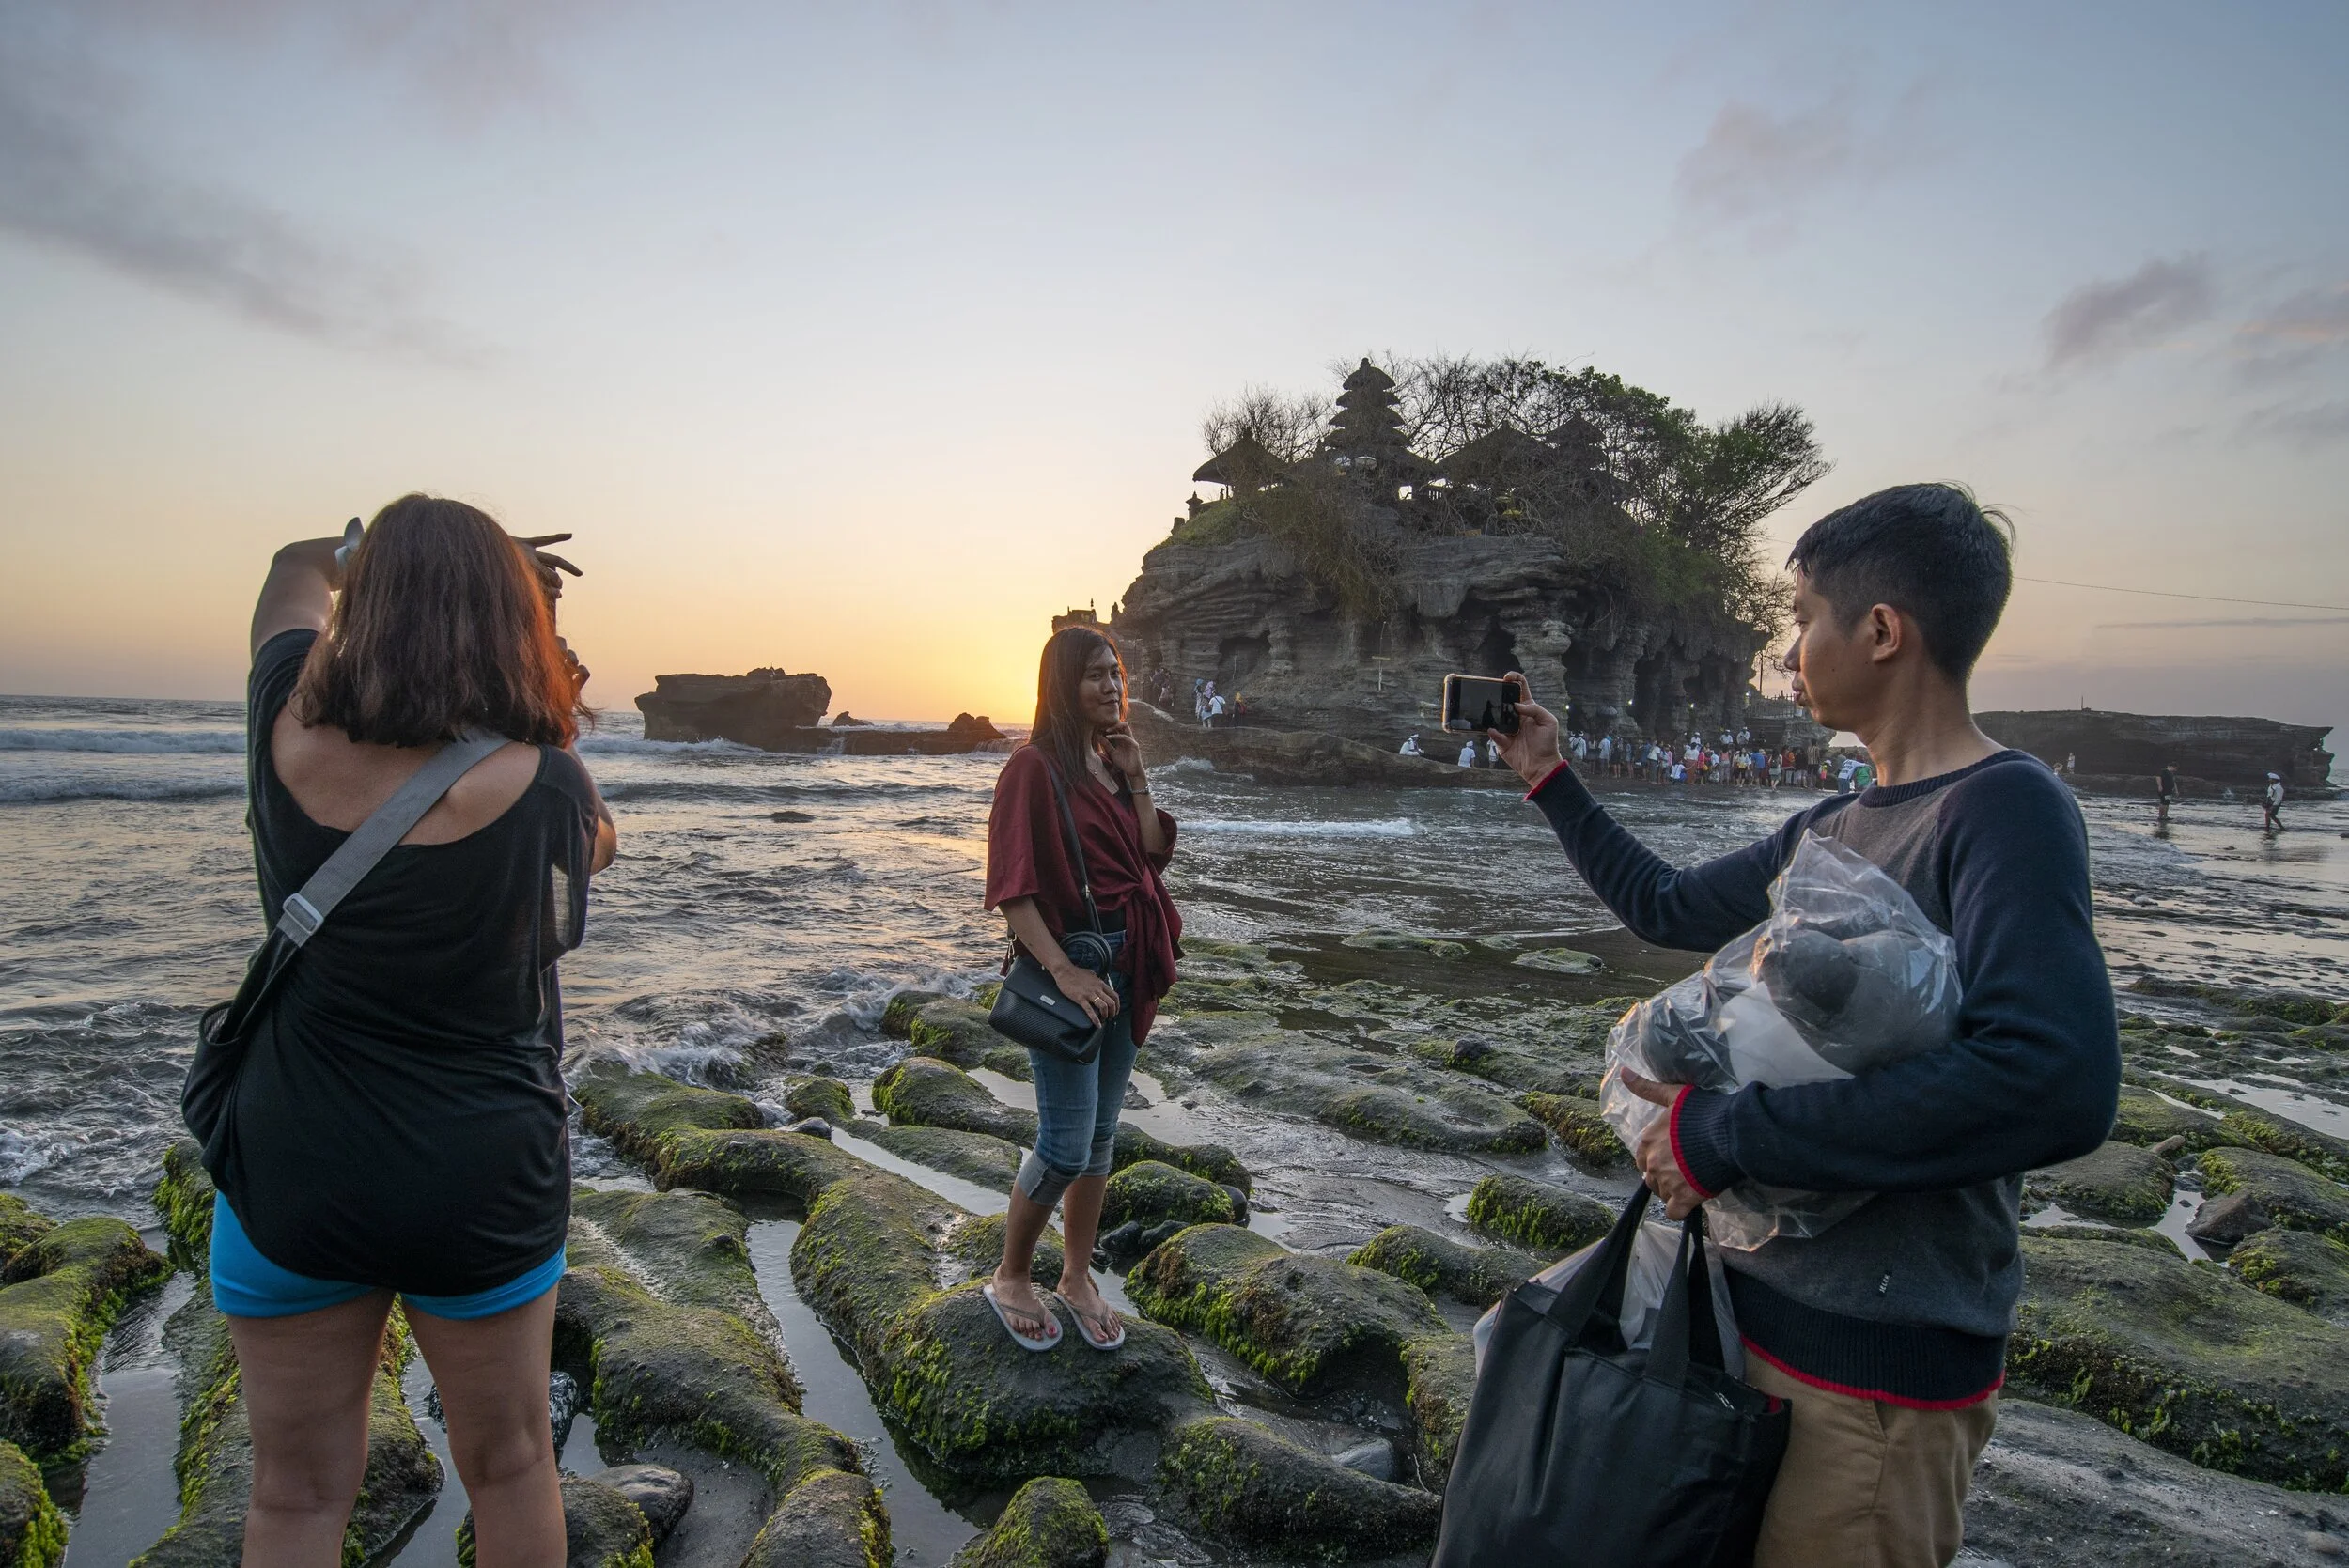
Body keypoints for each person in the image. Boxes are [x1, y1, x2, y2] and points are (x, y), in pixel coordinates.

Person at [1490, 483, 2116, 1568]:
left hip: (1875, 1376)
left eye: (1799, 619)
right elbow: (1667, 907)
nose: (1787, 652)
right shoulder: (1832, 821)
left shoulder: (2002, 809)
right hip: (1742, 1330)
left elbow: (2052, 1080)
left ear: (1879, 631)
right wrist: (1550, 778)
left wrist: (1724, 1138)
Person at [196, 496, 617, 1565]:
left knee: (292, 1495)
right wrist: (537, 656)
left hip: (295, 1160)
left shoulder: (283, 724)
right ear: (508, 620)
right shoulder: (547, 783)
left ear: (366, 598)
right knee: (513, 1465)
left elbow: (291, 564)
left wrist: (359, 552)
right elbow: (594, 845)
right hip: (479, 1169)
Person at [983, 626, 1180, 1352]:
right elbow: (1012, 888)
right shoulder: (1033, 768)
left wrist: (1136, 775)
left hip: (1130, 966)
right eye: (1095, 674)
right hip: (1075, 975)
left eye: (1116, 673)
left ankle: (1074, 1276)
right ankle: (1010, 1273)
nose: (1111, 686)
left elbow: (1152, 850)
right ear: (1061, 684)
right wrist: (1063, 971)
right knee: (1064, 1143)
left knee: (1099, 1139)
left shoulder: (1107, 763)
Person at [2156, 764, 2178, 830]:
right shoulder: (2164, 771)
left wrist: (2176, 790)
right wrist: (2160, 786)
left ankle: (2164, 816)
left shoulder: (2171, 774)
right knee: (2164, 802)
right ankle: (2162, 816)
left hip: (2169, 790)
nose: (2175, 770)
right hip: (2165, 790)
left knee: (2166, 802)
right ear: (2171, 766)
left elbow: (2174, 782)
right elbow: (2158, 777)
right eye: (2175, 768)